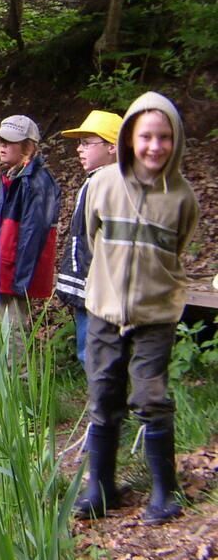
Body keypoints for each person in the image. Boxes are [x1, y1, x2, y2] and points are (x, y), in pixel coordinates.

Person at [75, 92, 199, 524]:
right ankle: (100, 485)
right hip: (104, 312)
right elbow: (93, 239)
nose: (155, 146)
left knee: (151, 395)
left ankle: (165, 490)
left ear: (175, 140)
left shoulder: (182, 197)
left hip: (155, 316)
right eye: (146, 136)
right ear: (129, 139)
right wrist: (108, 289)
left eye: (164, 137)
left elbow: (177, 249)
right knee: (104, 393)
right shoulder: (103, 185)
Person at [0, 115, 61, 364]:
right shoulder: (11, 176)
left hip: (17, 271)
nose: (2, 145)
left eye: (10, 141)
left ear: (29, 146)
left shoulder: (37, 181)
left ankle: (14, 385)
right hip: (5, 267)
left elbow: (33, 234)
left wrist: (20, 280)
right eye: (0, 140)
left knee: (13, 328)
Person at [56, 110, 123, 365]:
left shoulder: (114, 184)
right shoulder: (94, 181)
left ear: (112, 147)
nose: (79, 149)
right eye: (79, 143)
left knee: (97, 354)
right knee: (91, 352)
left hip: (103, 289)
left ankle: (106, 402)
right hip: (91, 286)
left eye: (87, 143)